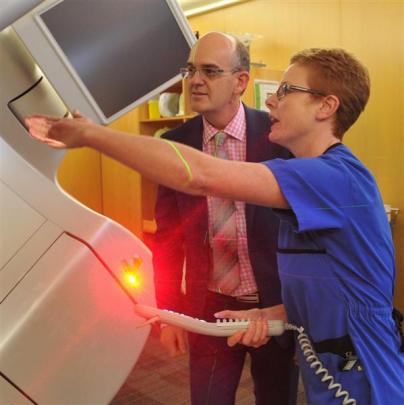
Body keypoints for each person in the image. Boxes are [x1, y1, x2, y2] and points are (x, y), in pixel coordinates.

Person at [26, 47, 404, 405]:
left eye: (287, 90)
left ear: (326, 105)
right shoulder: (312, 183)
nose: (271, 99)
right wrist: (272, 313)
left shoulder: (335, 178)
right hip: (329, 371)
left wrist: (91, 135)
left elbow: (202, 176)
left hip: (365, 378)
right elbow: (341, 285)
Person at [152, 32, 297, 405]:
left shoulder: (279, 138)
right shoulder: (173, 145)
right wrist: (170, 313)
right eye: (191, 70)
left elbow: (304, 234)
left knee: (276, 398)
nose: (195, 80)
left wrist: (301, 311)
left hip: (273, 306)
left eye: (211, 71)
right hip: (209, 309)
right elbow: (168, 239)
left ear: (241, 82)